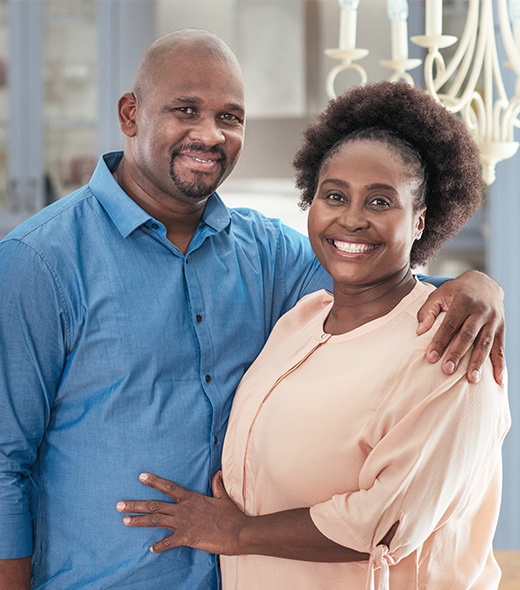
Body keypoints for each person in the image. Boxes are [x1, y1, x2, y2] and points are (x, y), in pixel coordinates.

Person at [0, 29, 505, 590]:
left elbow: (375, 282)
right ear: (130, 114)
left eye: (230, 117)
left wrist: (478, 286)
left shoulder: (264, 253)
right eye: (185, 110)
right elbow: (3, 461)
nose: (209, 134)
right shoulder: (37, 262)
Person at [117, 81, 511, 589]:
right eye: (334, 195)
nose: (352, 218)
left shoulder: (451, 352)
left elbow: (385, 524)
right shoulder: (302, 318)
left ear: (420, 222)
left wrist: (237, 532)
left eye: (380, 201)